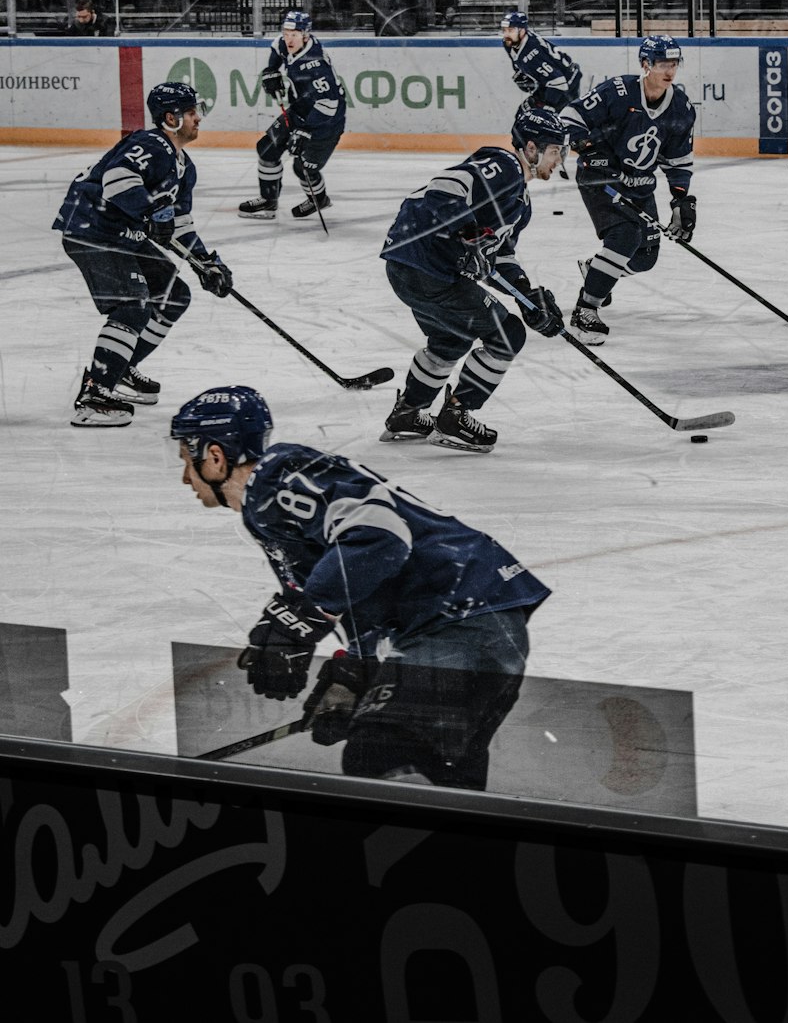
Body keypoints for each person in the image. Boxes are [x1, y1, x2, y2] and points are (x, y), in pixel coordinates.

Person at [169, 385, 550, 789]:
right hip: (468, 624)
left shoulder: (277, 476)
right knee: (444, 775)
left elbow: (380, 538)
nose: (184, 477)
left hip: (462, 618)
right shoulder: (267, 510)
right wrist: (355, 671)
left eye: (186, 461)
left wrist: (304, 618)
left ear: (214, 456)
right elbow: (361, 588)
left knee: (380, 753)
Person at [380, 105, 566, 453]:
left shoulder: (520, 205)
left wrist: (528, 296)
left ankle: (407, 414)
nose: (558, 160)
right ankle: (456, 417)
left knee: (449, 340)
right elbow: (445, 186)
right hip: (426, 265)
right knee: (507, 336)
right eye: (554, 151)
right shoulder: (507, 166)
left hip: (412, 268)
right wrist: (466, 229)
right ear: (531, 149)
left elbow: (499, 257)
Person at [52, 82, 232, 427]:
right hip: (93, 229)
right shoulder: (151, 144)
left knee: (174, 294)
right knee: (132, 305)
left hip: (123, 235)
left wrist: (205, 262)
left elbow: (178, 224)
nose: (198, 118)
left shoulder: (184, 167)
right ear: (171, 118)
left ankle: (120, 369)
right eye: (192, 112)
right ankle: (94, 395)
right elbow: (118, 180)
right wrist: (151, 212)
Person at [559, 35, 697, 345]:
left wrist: (681, 200)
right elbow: (570, 116)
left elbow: (677, 160)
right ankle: (586, 309)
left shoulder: (680, 107)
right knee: (626, 235)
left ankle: (596, 272)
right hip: (601, 179)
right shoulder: (618, 91)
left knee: (645, 256)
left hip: (640, 185)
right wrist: (586, 146)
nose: (670, 70)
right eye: (663, 63)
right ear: (646, 64)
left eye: (674, 64)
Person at [238, 9, 346, 222]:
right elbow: (277, 50)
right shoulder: (284, 42)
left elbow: (329, 103)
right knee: (267, 149)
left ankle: (319, 199)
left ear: (305, 35)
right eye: (286, 33)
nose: (289, 39)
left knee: (303, 168)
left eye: (294, 34)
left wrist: (305, 131)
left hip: (326, 123)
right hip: (299, 111)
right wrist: (271, 72)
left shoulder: (316, 64)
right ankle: (268, 200)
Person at [500, 9, 582, 109]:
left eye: (511, 30)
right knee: (524, 111)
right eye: (504, 30)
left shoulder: (532, 52)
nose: (506, 34)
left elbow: (559, 82)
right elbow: (518, 63)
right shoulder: (509, 42)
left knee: (549, 119)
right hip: (549, 82)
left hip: (567, 83)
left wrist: (548, 107)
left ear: (522, 30)